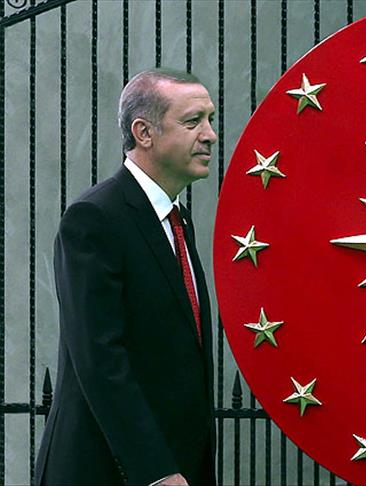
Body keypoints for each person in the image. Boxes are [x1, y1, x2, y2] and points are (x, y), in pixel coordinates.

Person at [35, 68, 218, 486]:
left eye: (210, 120)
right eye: (193, 121)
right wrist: (156, 470)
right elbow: (100, 360)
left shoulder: (176, 220)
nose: (209, 135)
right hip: (109, 470)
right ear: (144, 133)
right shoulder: (95, 218)